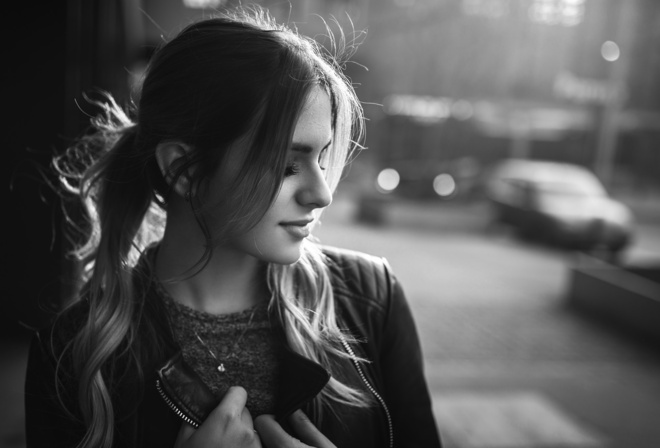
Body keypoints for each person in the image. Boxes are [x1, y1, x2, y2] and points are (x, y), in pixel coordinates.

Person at [24, 6, 442, 448]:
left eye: (321, 158)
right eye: (285, 165)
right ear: (184, 170)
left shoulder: (372, 299)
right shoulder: (74, 354)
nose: (322, 194)